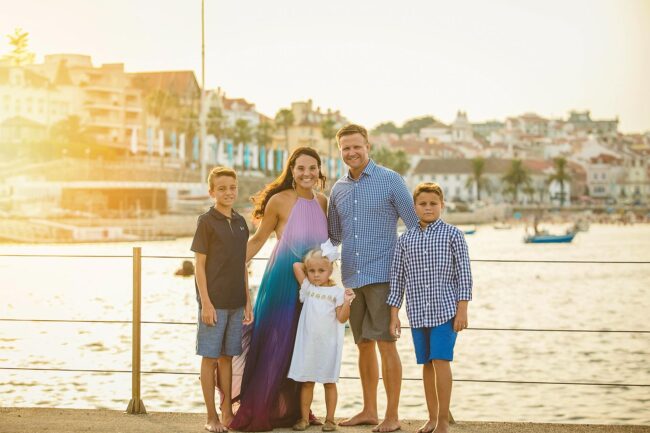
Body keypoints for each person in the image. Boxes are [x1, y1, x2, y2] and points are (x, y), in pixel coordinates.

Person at [228, 147, 329, 432]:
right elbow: (258, 239)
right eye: (301, 168)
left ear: (319, 171)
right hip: (282, 282)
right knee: (276, 344)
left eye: (312, 168)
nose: (307, 173)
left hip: (312, 286)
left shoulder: (323, 202)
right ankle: (262, 408)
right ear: (292, 171)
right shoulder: (279, 201)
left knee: (303, 345)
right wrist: (233, 266)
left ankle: (299, 410)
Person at [327, 124, 418, 432]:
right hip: (351, 278)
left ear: (368, 147)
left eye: (356, 146)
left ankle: (392, 416)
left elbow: (415, 225)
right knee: (363, 344)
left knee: (386, 343)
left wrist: (412, 271)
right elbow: (334, 236)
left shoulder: (390, 180)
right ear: (340, 151)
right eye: (345, 149)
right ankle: (369, 410)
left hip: (383, 275)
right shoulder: (338, 189)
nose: (351, 153)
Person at [387, 182, 472, 433]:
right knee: (426, 364)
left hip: (446, 311)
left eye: (433, 204)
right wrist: (394, 314)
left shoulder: (453, 235)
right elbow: (398, 278)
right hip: (418, 313)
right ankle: (432, 417)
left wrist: (463, 309)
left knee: (441, 360)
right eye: (422, 204)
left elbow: (464, 275)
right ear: (414, 207)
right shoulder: (406, 240)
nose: (428, 208)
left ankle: (444, 421)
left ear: (442, 205)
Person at [191, 167, 254, 433]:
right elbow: (199, 265)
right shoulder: (206, 222)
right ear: (211, 192)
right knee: (210, 357)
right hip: (213, 304)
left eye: (232, 187)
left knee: (228, 357)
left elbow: (242, 264)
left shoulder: (241, 222)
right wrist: (205, 302)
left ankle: (227, 412)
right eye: (222, 188)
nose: (228, 192)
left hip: (236, 302)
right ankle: (211, 417)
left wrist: (247, 300)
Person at [288, 241, 355, 432]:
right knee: (307, 382)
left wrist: (347, 301)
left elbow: (342, 319)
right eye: (312, 271)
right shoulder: (308, 288)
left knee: (328, 382)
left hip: (328, 345)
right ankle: (304, 418)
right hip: (308, 344)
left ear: (331, 270)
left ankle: (330, 419)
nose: (316, 274)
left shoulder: (337, 293)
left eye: (321, 270)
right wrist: (317, 259)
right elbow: (296, 266)